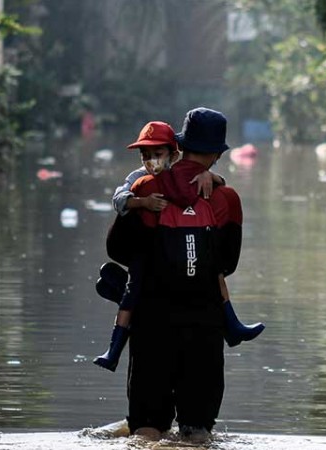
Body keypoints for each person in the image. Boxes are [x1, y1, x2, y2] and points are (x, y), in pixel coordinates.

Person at [106, 107, 249, 440]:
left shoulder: (143, 188)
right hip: (205, 327)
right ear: (216, 154)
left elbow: (117, 250)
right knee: (197, 434)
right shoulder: (226, 197)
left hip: (152, 324)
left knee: (145, 431)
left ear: (180, 148)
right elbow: (227, 263)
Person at [94, 120, 264, 373]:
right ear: (215, 155)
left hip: (169, 299)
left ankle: (232, 323)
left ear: (175, 154)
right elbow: (120, 199)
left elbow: (116, 247)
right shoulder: (140, 181)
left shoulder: (186, 179)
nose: (151, 161)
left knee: (212, 275)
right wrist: (141, 202)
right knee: (132, 293)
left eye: (157, 154)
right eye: (145, 156)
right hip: (187, 298)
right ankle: (114, 348)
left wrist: (211, 176)